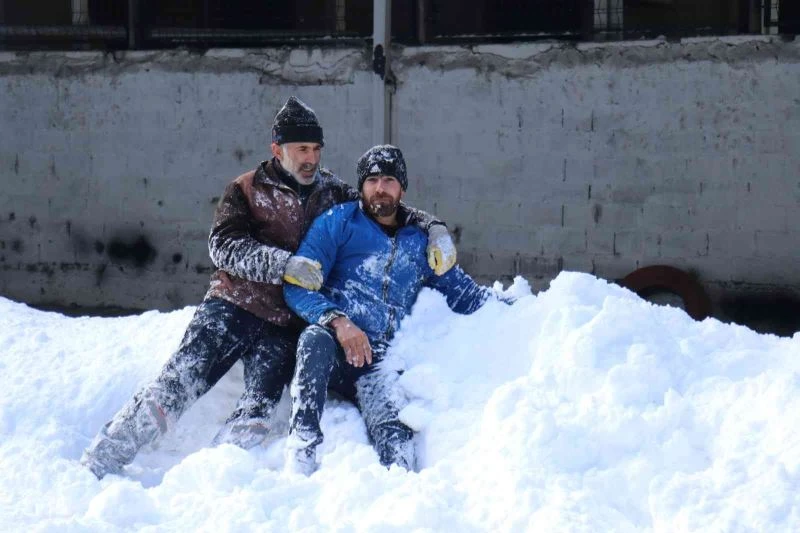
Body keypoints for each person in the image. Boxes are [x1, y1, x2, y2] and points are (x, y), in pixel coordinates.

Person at [80, 98, 458, 480]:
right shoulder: (246, 189)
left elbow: (381, 204)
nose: (311, 158)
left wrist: (433, 227)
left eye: (315, 149)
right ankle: (103, 457)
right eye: (301, 150)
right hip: (232, 307)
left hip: (284, 324)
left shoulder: (331, 191)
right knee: (178, 384)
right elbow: (222, 247)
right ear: (277, 150)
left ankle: (211, 482)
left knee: (258, 412)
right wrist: (284, 264)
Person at [282, 144, 508, 475]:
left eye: (389, 180)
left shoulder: (420, 242)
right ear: (361, 185)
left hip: (377, 362)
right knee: (313, 339)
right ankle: (302, 448)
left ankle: (399, 503)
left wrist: (530, 309)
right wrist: (338, 321)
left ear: (402, 187)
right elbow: (297, 284)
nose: (380, 188)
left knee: (397, 447)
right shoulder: (337, 223)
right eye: (372, 180)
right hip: (333, 347)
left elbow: (466, 296)